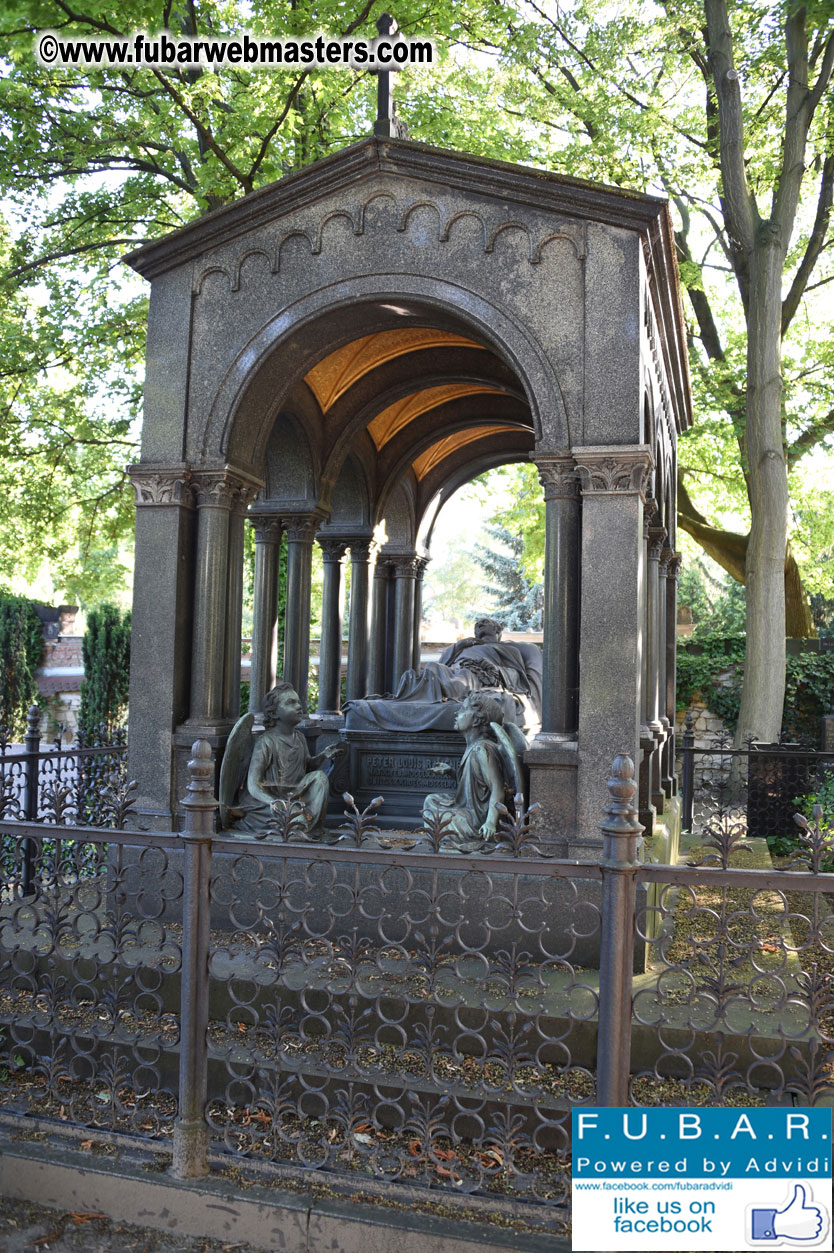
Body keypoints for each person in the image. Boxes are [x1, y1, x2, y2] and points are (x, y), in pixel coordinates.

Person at [234, 681, 342, 838]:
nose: (299, 706)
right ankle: (300, 827)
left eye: (298, 702)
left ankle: (307, 827)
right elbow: (253, 784)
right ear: (274, 713)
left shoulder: (299, 737)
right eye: (291, 703)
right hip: (270, 801)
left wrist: (323, 756)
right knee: (295, 821)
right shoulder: (266, 742)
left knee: (319, 778)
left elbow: (308, 767)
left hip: (294, 796)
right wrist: (273, 802)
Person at [392, 616, 543, 722]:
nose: (481, 623)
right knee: (432, 668)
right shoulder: (464, 646)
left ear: (498, 633)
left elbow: (519, 677)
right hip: (454, 669)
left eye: (486, 623)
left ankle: (429, 689)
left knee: (458, 681)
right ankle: (420, 690)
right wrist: (459, 645)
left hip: (476, 673)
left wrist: (497, 671)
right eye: (478, 626)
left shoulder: (510, 649)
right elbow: (443, 662)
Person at [422, 691, 508, 851]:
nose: (456, 713)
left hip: (477, 818)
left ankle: (473, 836)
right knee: (431, 801)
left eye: (463, 709)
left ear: (476, 720)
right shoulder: (473, 747)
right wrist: (451, 772)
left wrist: (490, 822)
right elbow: (475, 785)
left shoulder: (482, 750)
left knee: (440, 816)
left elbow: (497, 788)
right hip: (467, 809)